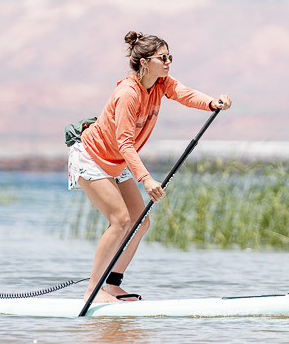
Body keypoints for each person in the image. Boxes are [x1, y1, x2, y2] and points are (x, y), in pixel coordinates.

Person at [69, 30, 232, 304]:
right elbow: (124, 143)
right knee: (120, 221)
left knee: (140, 222)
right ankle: (92, 292)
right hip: (92, 157)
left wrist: (211, 103)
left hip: (117, 161)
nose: (168, 62)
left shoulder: (160, 83)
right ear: (144, 62)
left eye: (170, 56)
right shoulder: (127, 94)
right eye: (162, 57)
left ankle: (111, 285)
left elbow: (182, 93)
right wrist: (146, 179)